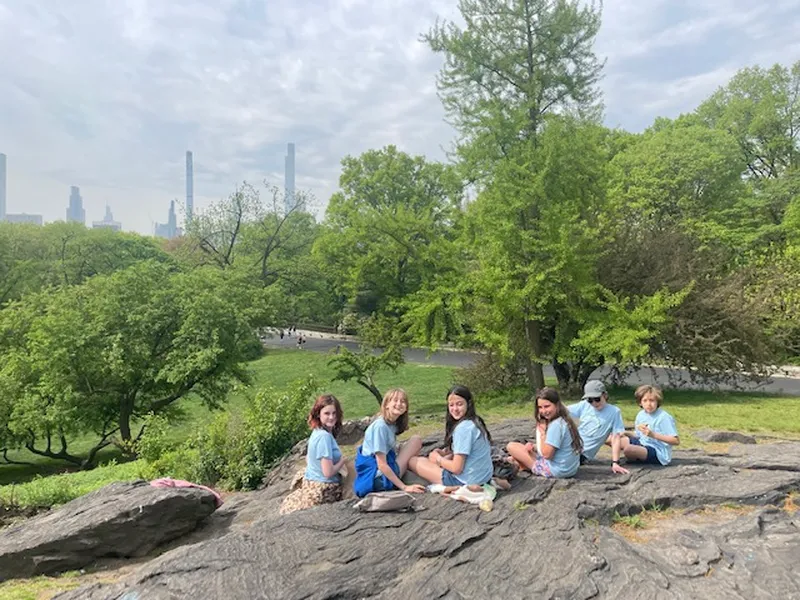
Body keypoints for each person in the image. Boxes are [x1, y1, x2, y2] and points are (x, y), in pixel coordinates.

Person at [408, 385, 494, 487]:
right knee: (427, 460)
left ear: (469, 404)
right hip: (483, 477)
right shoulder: (476, 422)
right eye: (451, 405)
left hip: (466, 481)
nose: (455, 409)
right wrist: (444, 455)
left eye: (459, 404)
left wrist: (438, 459)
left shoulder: (463, 429)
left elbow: (456, 469)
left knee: (414, 461)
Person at [280, 394, 348, 515]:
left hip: (311, 480)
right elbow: (328, 473)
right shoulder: (324, 437)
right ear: (318, 414)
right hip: (324, 488)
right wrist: (342, 461)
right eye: (327, 413)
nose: (331, 417)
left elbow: (308, 458)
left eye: (334, 413)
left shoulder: (317, 431)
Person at [353, 388, 425, 497]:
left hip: (384, 470)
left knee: (411, 444)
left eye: (402, 401)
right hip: (378, 479)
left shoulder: (392, 424)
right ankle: (402, 476)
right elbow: (381, 464)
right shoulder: (380, 427)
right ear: (386, 404)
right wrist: (404, 487)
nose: (399, 404)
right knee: (415, 441)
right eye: (395, 400)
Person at [506, 387, 582, 478]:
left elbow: (547, 455)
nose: (543, 411)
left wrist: (542, 433)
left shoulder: (556, 425)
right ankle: (519, 463)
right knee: (519, 454)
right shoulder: (565, 420)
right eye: (540, 407)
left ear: (557, 405)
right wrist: (534, 447)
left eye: (547, 406)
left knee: (511, 446)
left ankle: (520, 464)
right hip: (570, 468)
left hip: (557, 470)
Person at [568, 380, 629, 474]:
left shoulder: (614, 412)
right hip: (571, 445)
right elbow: (562, 411)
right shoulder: (584, 405)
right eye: (590, 400)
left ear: (605, 395)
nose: (594, 403)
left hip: (582, 454)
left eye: (597, 399)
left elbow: (616, 438)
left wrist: (615, 462)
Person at [620, 385, 679, 465]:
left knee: (628, 449)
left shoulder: (663, 417)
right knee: (613, 439)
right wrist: (626, 433)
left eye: (652, 400)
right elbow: (638, 435)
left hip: (658, 451)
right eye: (645, 401)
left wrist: (653, 435)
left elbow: (675, 441)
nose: (649, 404)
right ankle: (630, 458)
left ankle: (634, 458)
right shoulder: (641, 415)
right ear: (640, 403)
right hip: (643, 443)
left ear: (657, 401)